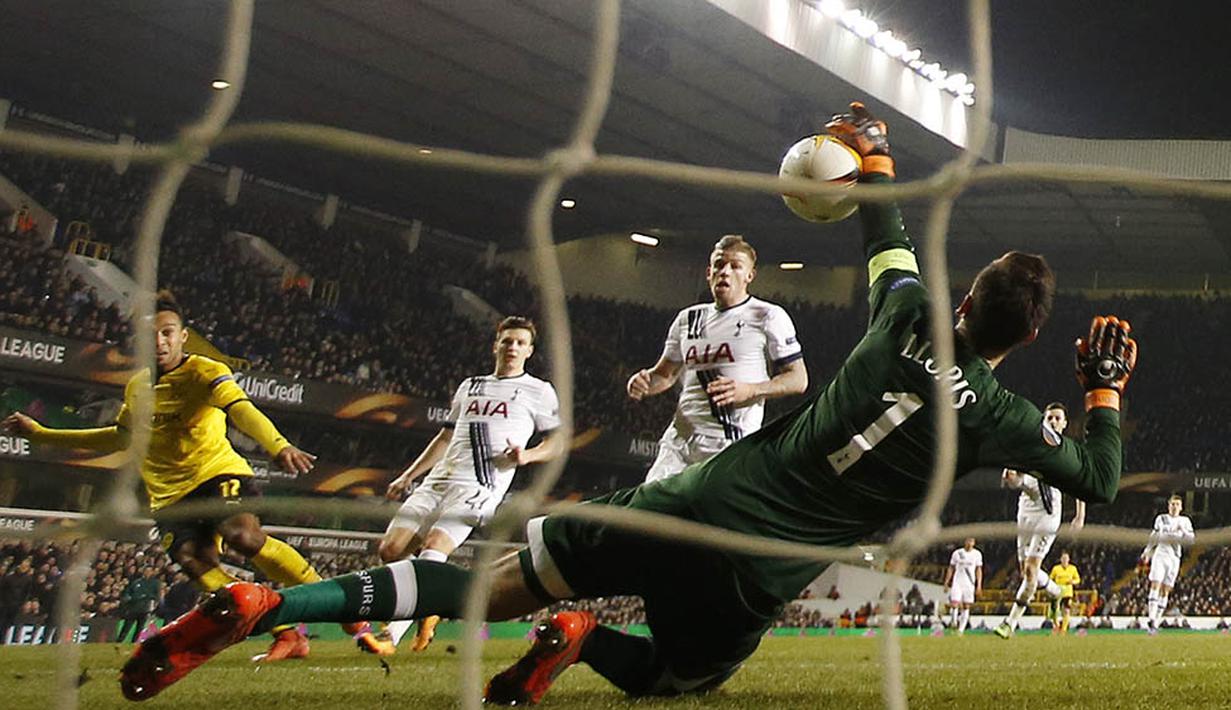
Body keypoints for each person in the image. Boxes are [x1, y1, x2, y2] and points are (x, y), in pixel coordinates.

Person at [118, 101, 1137, 705]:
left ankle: (265, 603)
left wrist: (868, 152)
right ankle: (578, 641)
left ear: (965, 298)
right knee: (674, 682)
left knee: (473, 587)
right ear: (1031, 339)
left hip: (688, 498)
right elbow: (1095, 475)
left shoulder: (902, 313)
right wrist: (1102, 392)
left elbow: (884, 231)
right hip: (752, 575)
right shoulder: (1001, 419)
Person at [2, 291, 361, 661]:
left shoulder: (207, 372)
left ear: (182, 336)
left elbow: (241, 409)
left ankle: (338, 602)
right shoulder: (137, 388)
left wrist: (278, 445)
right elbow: (120, 437)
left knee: (242, 536)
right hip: (170, 498)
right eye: (151, 336)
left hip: (217, 475)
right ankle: (286, 635)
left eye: (167, 333)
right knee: (199, 566)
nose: (159, 342)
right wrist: (42, 434)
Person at [360, 316, 564, 655]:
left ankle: (389, 637)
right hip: (439, 479)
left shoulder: (539, 391)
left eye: (520, 343)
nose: (512, 347)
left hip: (480, 485)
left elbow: (557, 442)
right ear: (495, 345)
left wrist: (527, 456)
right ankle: (432, 605)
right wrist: (409, 475)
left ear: (529, 351)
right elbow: (445, 436)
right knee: (390, 551)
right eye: (507, 340)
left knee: (435, 545)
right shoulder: (471, 386)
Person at [626, 234, 807, 482]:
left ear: (749, 276)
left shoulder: (767, 316)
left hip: (728, 445)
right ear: (708, 272)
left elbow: (798, 379)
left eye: (735, 266)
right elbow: (664, 375)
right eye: (720, 265)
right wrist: (644, 382)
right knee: (649, 513)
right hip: (678, 443)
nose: (725, 272)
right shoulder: (688, 319)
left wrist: (750, 390)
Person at [995, 402, 1086, 638]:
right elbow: (1016, 483)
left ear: (1065, 424)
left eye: (1058, 418)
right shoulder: (1029, 450)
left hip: (1048, 516)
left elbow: (1078, 486)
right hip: (1025, 512)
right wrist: (1011, 475)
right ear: (1043, 421)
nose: (1053, 422)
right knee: (1025, 570)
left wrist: (1079, 516)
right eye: (1050, 418)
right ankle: (1055, 591)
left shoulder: (1068, 453)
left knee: (1032, 569)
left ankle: (1010, 622)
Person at [1140, 494, 1195, 633]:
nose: (1174, 507)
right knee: (1155, 584)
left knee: (1165, 590)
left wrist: (1183, 532)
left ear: (1181, 507)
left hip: (1175, 558)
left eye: (1177, 504)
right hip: (1160, 554)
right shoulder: (1161, 518)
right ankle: (1151, 619)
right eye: (1172, 504)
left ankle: (1156, 622)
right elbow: (1154, 535)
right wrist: (1147, 551)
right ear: (1168, 505)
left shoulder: (1185, 521)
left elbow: (1191, 541)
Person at [943, 537, 982, 635]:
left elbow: (978, 570)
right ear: (965, 542)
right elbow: (951, 568)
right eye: (968, 541)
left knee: (966, 606)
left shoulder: (977, 554)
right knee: (954, 603)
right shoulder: (957, 553)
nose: (969, 543)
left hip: (969, 583)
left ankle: (961, 630)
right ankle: (954, 622)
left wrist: (979, 585)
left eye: (971, 541)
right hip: (957, 582)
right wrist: (947, 582)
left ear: (974, 543)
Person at [117, 566, 163, 643]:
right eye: (146, 571)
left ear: (152, 572)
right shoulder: (137, 582)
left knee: (140, 627)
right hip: (133, 607)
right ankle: (119, 641)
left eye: (149, 571)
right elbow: (128, 592)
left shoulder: (155, 583)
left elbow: (157, 595)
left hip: (145, 608)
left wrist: (150, 600)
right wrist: (128, 598)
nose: (147, 572)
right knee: (127, 626)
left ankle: (134, 643)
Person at [1048, 551, 1081, 635]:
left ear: (1069, 559)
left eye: (1066, 558)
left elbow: (1078, 580)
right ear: (1060, 559)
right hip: (1057, 592)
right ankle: (1056, 626)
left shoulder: (1073, 568)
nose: (1065, 560)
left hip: (1068, 593)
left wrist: (1072, 581)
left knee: (1066, 611)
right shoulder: (1056, 568)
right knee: (1055, 611)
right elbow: (1050, 578)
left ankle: (1064, 629)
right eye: (1063, 558)